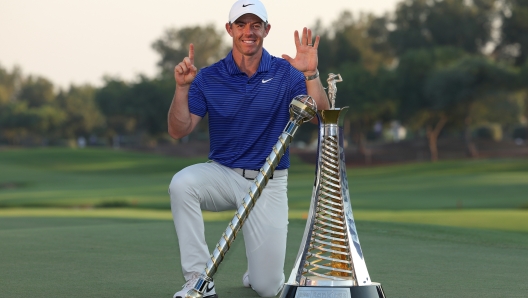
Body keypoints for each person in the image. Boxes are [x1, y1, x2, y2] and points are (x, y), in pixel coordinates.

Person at [167, 1, 329, 297]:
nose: (248, 32)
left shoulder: (286, 73)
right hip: (223, 175)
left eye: (256, 25)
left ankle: (257, 273)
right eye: (241, 25)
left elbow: (322, 116)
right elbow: (179, 130)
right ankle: (197, 279)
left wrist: (311, 74)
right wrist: (181, 89)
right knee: (182, 185)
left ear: (267, 29)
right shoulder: (208, 77)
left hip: (269, 182)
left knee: (268, 287)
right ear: (230, 29)